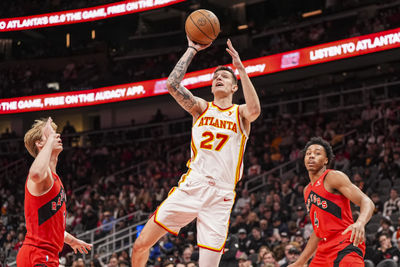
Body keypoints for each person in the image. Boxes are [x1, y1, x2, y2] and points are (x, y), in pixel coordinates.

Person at [131, 36, 261, 267]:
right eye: (215, 77)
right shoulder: (201, 108)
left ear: (234, 86)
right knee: (141, 245)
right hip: (194, 185)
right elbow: (172, 85)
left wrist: (240, 68)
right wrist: (192, 49)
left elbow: (254, 109)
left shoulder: (240, 114)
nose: (218, 77)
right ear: (211, 87)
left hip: (221, 195)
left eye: (224, 76)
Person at [17, 117, 92, 266]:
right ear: (39, 143)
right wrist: (50, 141)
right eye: (50, 134)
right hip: (37, 254)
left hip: (46, 254)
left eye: (55, 133)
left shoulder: (55, 178)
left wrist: (71, 241)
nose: (57, 136)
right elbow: (36, 173)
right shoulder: (43, 175)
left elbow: (49, 225)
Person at [289, 137, 375, 267]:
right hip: (323, 251)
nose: (311, 156)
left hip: (345, 244)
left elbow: (367, 201)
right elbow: (318, 232)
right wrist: (300, 262)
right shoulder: (307, 190)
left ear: (326, 160)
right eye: (308, 153)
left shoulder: (333, 177)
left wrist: (360, 223)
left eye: (317, 153)